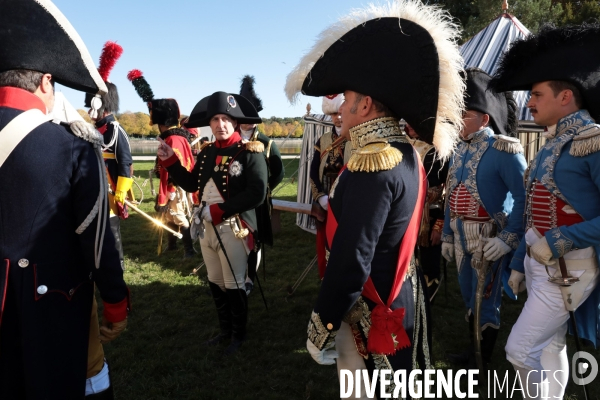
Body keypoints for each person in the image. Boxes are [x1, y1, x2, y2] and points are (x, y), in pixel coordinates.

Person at [284, 1, 464, 397]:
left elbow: (352, 258)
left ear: (364, 105)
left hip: (372, 301)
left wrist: (323, 324)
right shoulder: (401, 151)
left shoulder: (374, 160)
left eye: (346, 98)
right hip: (397, 290)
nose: (340, 108)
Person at [0, 1, 130, 398]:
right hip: (47, 308)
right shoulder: (71, 148)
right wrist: (115, 302)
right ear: (44, 83)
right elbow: (96, 241)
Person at [490, 24, 600, 399]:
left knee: (518, 350)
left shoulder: (594, 141)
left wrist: (563, 237)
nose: (529, 102)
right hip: (543, 260)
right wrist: (521, 262)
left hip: (571, 266)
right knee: (550, 347)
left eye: (536, 94)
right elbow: (533, 220)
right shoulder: (552, 144)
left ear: (566, 95)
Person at [158, 91, 267, 355]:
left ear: (236, 122)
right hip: (207, 229)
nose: (220, 124)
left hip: (233, 227)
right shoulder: (206, 153)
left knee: (234, 284)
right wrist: (170, 159)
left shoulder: (249, 152)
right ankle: (225, 331)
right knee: (216, 282)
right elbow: (191, 182)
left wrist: (220, 210)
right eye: (216, 119)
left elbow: (257, 192)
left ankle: (238, 336)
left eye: (226, 119)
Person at [440, 68, 527, 373]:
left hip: (488, 238)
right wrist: (447, 237)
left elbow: (524, 198)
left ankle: (482, 361)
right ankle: (472, 351)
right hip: (461, 235)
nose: (458, 118)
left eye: (464, 113)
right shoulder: (459, 150)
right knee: (469, 296)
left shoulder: (504, 150)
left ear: (484, 119)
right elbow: (451, 194)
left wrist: (508, 238)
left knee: (486, 300)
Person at [128, 70, 196, 258]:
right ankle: (172, 245)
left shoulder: (174, 139)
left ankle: (189, 250)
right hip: (171, 185)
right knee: (168, 216)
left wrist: (169, 192)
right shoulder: (174, 136)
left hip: (176, 187)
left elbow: (177, 167)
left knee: (178, 215)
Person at [85, 41, 132, 269]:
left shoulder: (115, 131)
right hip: (93, 191)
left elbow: (125, 164)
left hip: (111, 192)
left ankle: (118, 269)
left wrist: (121, 194)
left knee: (112, 237)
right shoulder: (95, 130)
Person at [238, 75, 284, 294]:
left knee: (253, 242)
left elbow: (278, 173)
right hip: (234, 200)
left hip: (257, 203)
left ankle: (249, 278)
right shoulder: (231, 140)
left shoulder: (267, 143)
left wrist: (263, 189)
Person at [308, 94, 352, 278]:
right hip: (325, 200)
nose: (337, 117)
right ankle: (327, 278)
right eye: (333, 114)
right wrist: (320, 197)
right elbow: (313, 172)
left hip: (349, 200)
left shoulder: (355, 137)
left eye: (340, 112)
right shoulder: (323, 140)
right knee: (325, 242)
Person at [405, 122, 448, 302]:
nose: (410, 124)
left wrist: (440, 225)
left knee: (430, 262)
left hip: (430, 216)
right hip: (405, 213)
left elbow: (448, 188)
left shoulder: (440, 149)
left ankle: (428, 297)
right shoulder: (401, 144)